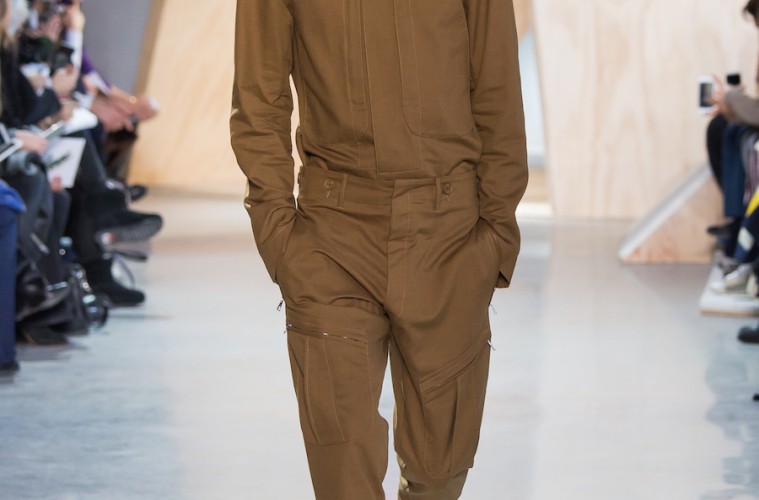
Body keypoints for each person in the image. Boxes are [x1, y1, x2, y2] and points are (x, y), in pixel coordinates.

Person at [231, 0, 528, 498]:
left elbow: (496, 84)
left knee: (440, 469)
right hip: (331, 235)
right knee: (341, 467)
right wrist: (276, 233)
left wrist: (495, 235)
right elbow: (259, 97)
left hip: (448, 235)